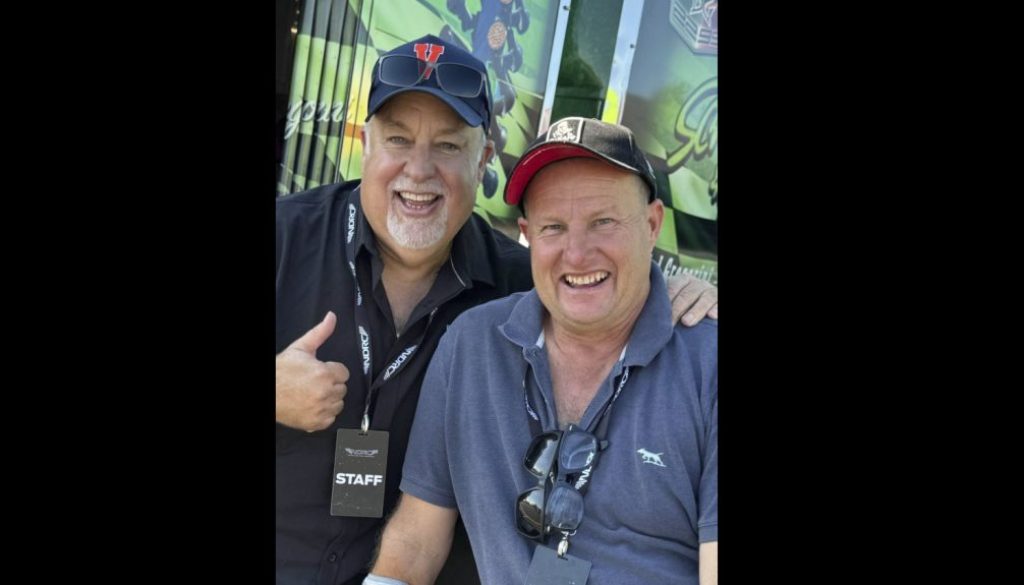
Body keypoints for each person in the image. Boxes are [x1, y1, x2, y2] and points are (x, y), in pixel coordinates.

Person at [276, 34, 719, 585]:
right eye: (398, 139)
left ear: (483, 158)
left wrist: (675, 292)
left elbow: (595, 282)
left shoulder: (517, 287)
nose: (419, 170)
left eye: (447, 146)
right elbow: (413, 544)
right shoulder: (285, 239)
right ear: (365, 143)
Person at [366, 117, 717, 585]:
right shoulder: (471, 346)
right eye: (553, 227)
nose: (577, 254)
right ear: (527, 233)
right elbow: (415, 544)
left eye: (603, 222)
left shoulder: (707, 362)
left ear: (652, 225)